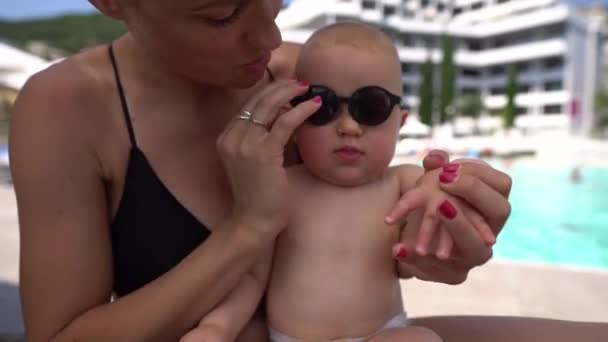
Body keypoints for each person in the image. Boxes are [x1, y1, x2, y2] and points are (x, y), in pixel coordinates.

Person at [8, 1, 603, 341]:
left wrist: (443, 222)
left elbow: (396, 193)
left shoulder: (308, 78)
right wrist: (247, 230)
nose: (270, 36)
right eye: (220, 14)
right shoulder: (67, 109)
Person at [181, 21, 489, 342]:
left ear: (399, 123)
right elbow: (253, 275)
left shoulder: (400, 183)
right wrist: (217, 327)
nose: (349, 127)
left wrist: (439, 186)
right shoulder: (282, 186)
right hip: (288, 338)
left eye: (371, 107)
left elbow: (442, 192)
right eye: (323, 107)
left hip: (378, 335)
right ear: (295, 120)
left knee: (421, 338)